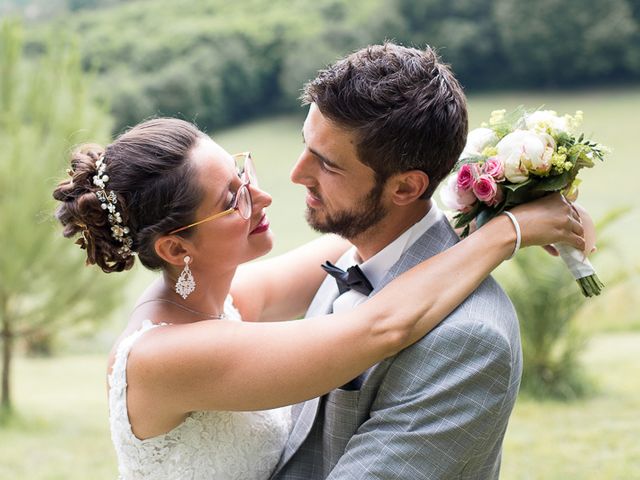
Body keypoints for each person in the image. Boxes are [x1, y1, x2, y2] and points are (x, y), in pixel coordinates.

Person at [52, 115, 583, 480]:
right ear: (175, 246)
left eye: (241, 171)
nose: (260, 194)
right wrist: (508, 231)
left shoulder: (217, 297)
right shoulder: (163, 357)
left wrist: (491, 181)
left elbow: (377, 228)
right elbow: (382, 327)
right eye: (232, 198)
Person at [269, 43, 586, 480]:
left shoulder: (470, 340)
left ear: (405, 188)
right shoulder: (353, 258)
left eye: (327, 164)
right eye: (306, 145)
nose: (297, 173)